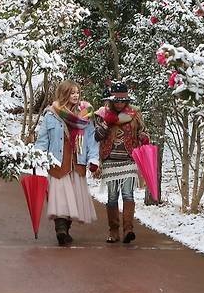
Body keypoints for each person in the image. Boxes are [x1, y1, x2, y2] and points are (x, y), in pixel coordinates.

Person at [35, 80, 99, 245]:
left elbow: (91, 140)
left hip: (77, 163)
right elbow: (42, 140)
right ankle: (61, 230)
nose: (76, 95)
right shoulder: (51, 115)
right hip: (58, 163)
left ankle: (66, 230)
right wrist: (36, 157)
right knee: (60, 198)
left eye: (77, 92)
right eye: (72, 92)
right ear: (64, 94)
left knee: (74, 200)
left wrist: (93, 159)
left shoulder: (85, 115)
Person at [93, 82, 150, 243]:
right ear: (110, 100)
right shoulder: (102, 114)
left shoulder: (135, 114)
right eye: (116, 101)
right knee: (112, 197)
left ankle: (128, 230)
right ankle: (113, 230)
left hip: (129, 159)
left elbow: (143, 131)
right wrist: (107, 122)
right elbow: (97, 136)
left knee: (127, 194)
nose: (119, 103)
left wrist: (144, 138)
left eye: (122, 100)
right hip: (110, 160)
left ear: (127, 100)